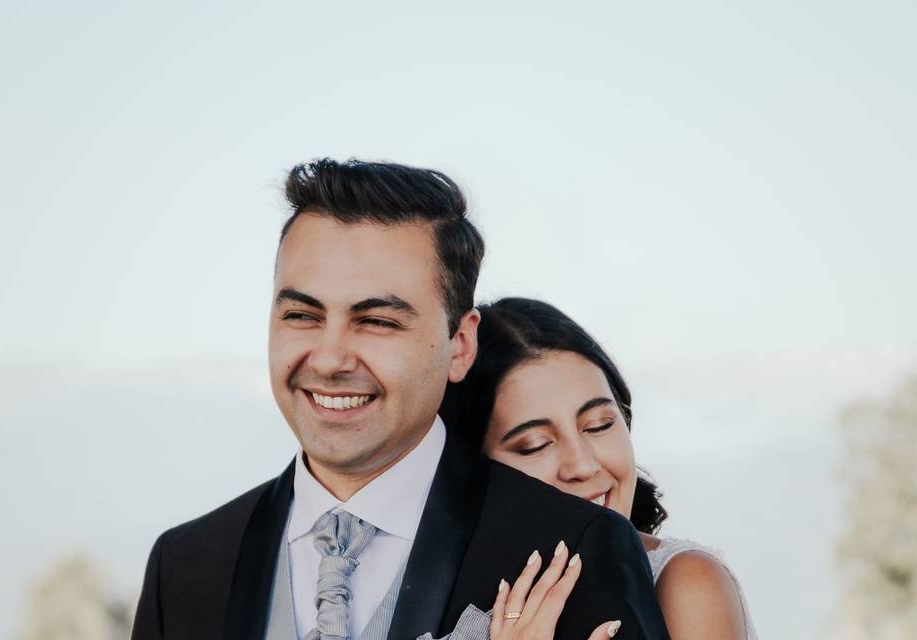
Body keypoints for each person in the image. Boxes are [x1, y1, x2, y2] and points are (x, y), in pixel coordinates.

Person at [130, 160, 669, 640]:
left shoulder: (575, 549)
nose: (330, 358)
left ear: (460, 345)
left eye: (378, 321)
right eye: (302, 315)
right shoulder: (184, 568)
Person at [440, 297, 759, 639]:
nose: (582, 465)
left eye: (598, 425)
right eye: (536, 444)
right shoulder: (433, 591)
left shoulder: (683, 582)